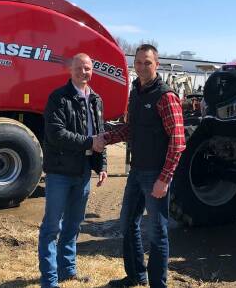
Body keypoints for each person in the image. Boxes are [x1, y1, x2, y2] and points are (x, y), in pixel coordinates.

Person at [106, 44, 186, 288]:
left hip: (155, 174)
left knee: (157, 232)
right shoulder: (136, 92)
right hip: (137, 170)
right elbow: (131, 128)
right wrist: (105, 138)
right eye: (138, 62)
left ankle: (157, 284)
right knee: (127, 223)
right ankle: (135, 275)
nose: (142, 67)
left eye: (147, 62)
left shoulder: (165, 96)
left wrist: (165, 178)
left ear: (157, 64)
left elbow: (178, 141)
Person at [38, 53, 108, 288]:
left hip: (84, 171)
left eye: (87, 68)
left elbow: (100, 134)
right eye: (79, 68)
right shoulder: (58, 98)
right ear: (71, 70)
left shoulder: (96, 99)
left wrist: (103, 165)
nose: (83, 72)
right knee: (52, 227)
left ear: (92, 71)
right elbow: (56, 135)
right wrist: (90, 142)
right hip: (60, 172)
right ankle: (49, 280)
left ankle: (67, 270)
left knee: (73, 224)